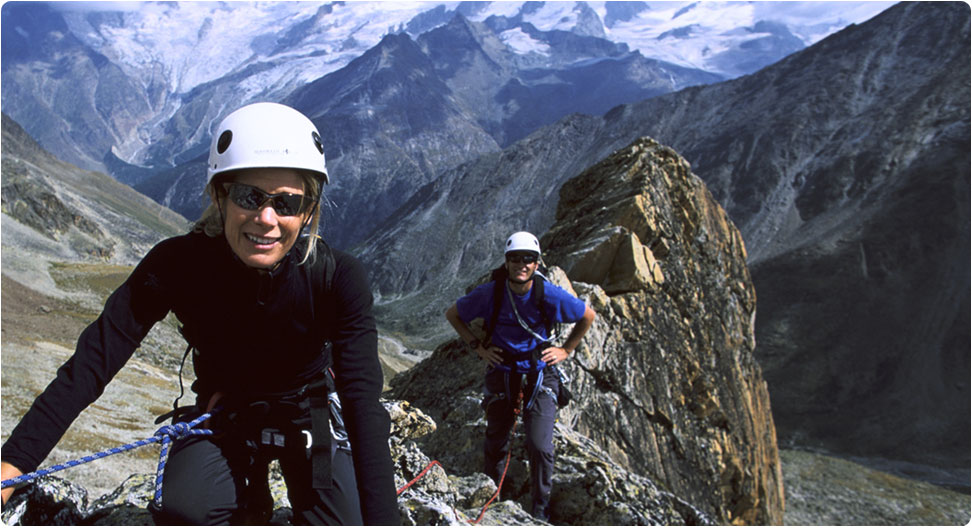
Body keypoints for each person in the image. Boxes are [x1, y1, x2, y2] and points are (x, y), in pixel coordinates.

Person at [0, 102, 399, 525]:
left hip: (309, 412)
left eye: (286, 203)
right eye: (249, 196)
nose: (266, 219)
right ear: (219, 196)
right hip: (226, 411)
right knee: (186, 512)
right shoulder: (177, 265)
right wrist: (15, 463)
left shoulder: (336, 277)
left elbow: (362, 401)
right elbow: (95, 360)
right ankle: (249, 500)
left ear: (307, 212)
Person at [445, 231, 595, 522]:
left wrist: (565, 350)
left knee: (540, 446)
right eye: (515, 258)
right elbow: (453, 314)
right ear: (506, 262)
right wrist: (478, 348)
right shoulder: (492, 292)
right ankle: (491, 500)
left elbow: (587, 316)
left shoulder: (546, 293)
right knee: (496, 441)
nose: (522, 264)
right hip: (503, 373)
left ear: (538, 264)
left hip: (539, 374)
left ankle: (539, 511)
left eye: (529, 259)